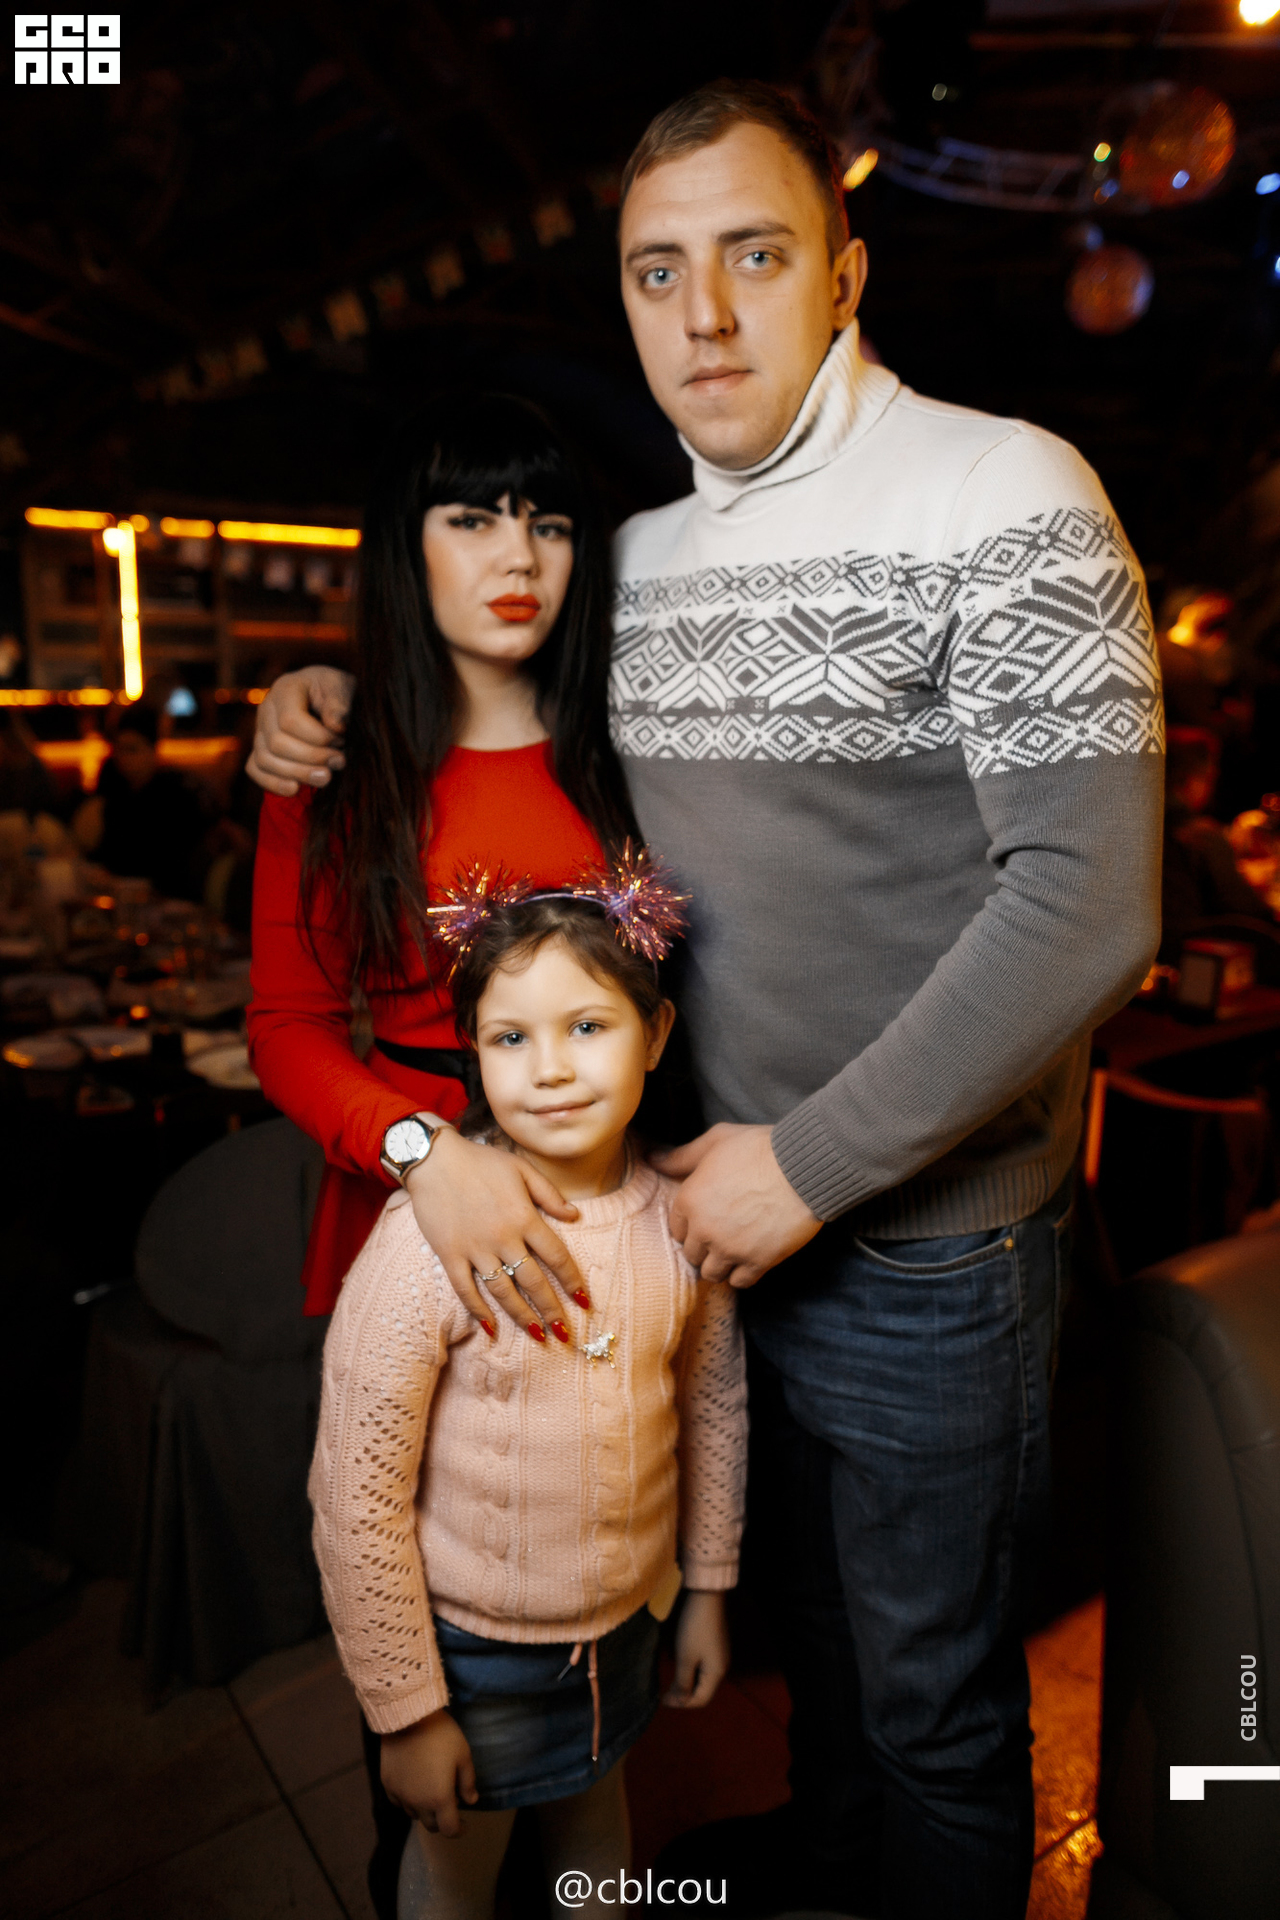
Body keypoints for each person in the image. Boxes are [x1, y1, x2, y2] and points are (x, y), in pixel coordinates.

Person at [246, 78, 1163, 1920]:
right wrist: (315, 700)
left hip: (921, 1243)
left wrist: (804, 1167)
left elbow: (1090, 908)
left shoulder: (1005, 487)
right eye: (658, 273)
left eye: (756, 255)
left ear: (845, 272)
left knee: (934, 1701)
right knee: (807, 1644)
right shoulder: (643, 566)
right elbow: (480, 710)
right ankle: (824, 1867)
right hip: (706, 1233)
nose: (708, 315)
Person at [308, 874, 746, 1920]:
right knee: (459, 1881)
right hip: (471, 1659)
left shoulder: (682, 1224)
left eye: (587, 1026)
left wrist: (707, 1590)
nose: (549, 1068)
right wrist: (407, 1713)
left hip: (626, 1629)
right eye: (510, 1039)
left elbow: (712, 1413)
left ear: (654, 1034)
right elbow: (356, 1500)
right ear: (472, 1051)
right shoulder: (423, 1248)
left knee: (597, 1842)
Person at [75, 703, 205, 899]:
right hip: (122, 897)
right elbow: (108, 854)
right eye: (119, 750)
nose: (123, 758)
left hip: (168, 899)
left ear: (152, 750)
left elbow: (175, 869)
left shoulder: (175, 798)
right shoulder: (118, 797)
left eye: (132, 750)